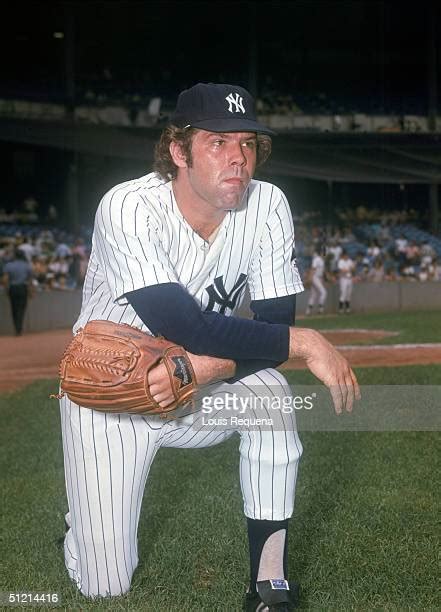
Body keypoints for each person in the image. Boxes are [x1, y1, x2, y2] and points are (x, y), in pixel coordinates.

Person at [58, 82, 360, 609]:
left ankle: (270, 583)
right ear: (179, 152)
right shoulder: (128, 206)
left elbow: (274, 322)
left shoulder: (267, 204)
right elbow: (184, 323)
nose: (238, 158)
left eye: (247, 144)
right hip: (113, 398)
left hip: (201, 389)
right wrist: (306, 342)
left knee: (271, 395)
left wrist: (209, 367)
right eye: (217, 143)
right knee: (105, 584)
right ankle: (80, 527)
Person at [2, 248, 33, 335]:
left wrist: (6, 289)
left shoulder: (9, 265)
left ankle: (17, 328)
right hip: (23, 288)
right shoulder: (26, 265)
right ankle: (19, 328)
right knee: (22, 308)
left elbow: (5, 279)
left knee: (14, 308)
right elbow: (30, 280)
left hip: (13, 288)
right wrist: (31, 291)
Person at [305, 244, 327, 315]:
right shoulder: (317, 259)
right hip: (315, 277)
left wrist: (322, 280)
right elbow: (313, 269)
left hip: (318, 278)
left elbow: (321, 272)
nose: (324, 253)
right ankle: (320, 308)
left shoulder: (321, 260)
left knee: (313, 295)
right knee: (323, 292)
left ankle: (308, 311)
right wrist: (310, 278)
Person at [337, 249, 355, 314]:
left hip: (349, 278)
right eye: (345, 255)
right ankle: (340, 309)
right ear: (343, 255)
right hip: (343, 279)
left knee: (348, 294)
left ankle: (347, 309)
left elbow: (353, 268)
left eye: (347, 255)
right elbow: (342, 271)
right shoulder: (340, 261)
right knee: (343, 293)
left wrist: (348, 269)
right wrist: (349, 269)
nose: (346, 256)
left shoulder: (349, 261)